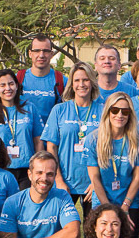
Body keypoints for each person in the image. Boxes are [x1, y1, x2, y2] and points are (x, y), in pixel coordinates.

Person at [42, 61, 104, 208]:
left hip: (93, 184)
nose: (81, 84)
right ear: (71, 84)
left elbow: (108, 148)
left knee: (94, 229)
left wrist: (97, 181)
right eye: (77, 80)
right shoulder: (59, 110)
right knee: (64, 228)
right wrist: (58, 180)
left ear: (92, 82)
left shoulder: (103, 110)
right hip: (65, 182)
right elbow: (51, 148)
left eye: (86, 79)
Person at [86, 92, 139, 238]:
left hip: (129, 203)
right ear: (108, 112)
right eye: (115, 110)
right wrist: (108, 209)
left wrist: (125, 206)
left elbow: (137, 178)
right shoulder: (93, 139)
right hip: (101, 202)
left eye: (125, 111)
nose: (120, 115)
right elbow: (95, 178)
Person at [0, 69, 40, 187]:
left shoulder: (30, 108)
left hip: (27, 171)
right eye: (3, 85)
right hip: (0, 170)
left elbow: (38, 141)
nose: (8, 88)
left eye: (11, 84)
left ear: (17, 86)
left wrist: (37, 166)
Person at [17, 34, 64, 124]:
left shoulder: (62, 81)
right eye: (37, 51)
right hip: (24, 136)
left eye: (45, 51)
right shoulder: (17, 79)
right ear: (30, 54)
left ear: (51, 54)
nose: (41, 55)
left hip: (50, 136)